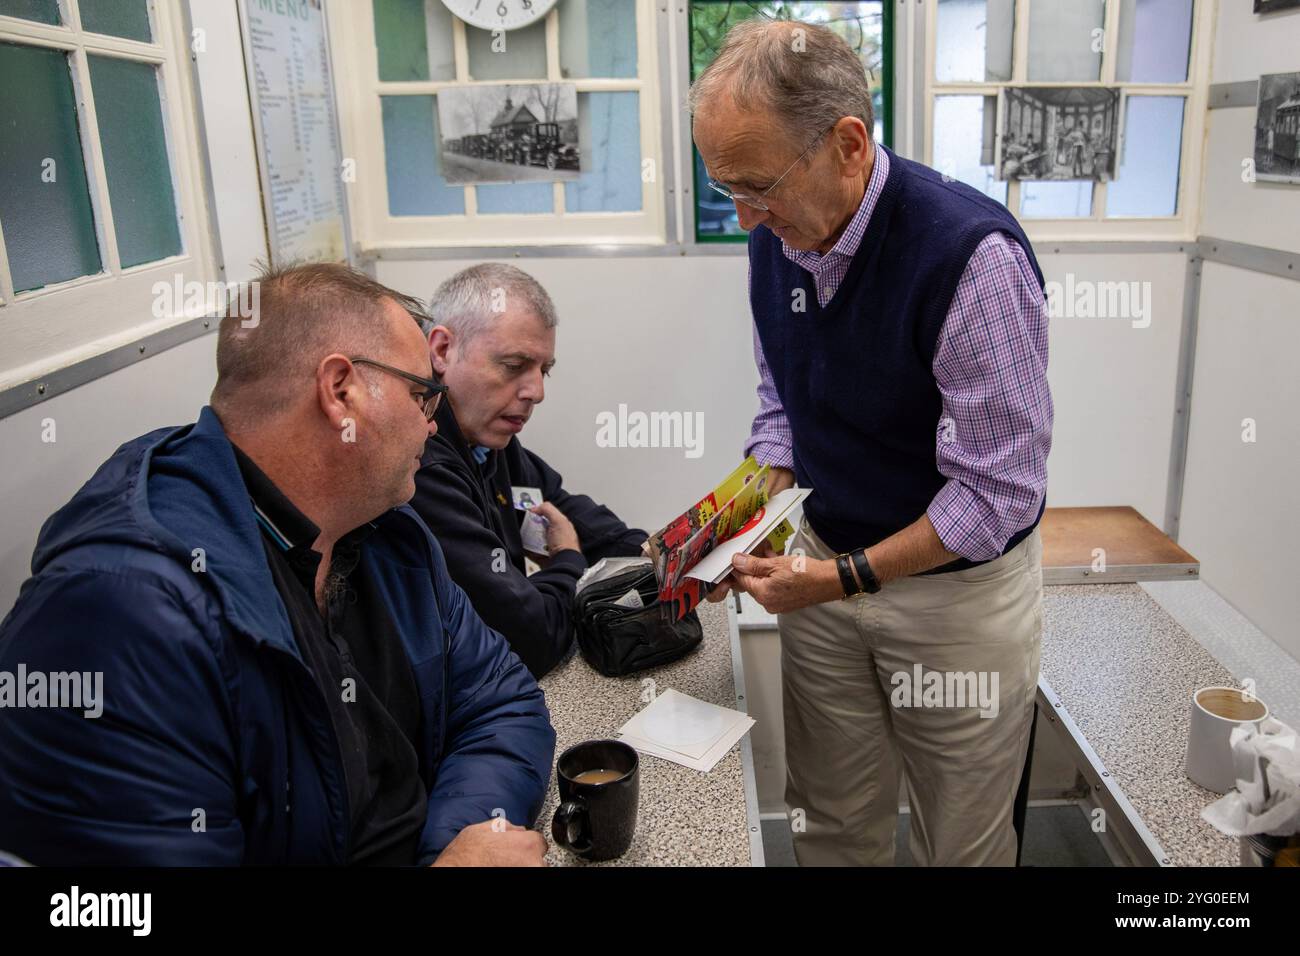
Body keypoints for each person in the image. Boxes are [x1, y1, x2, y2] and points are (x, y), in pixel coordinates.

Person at [0, 263, 553, 866]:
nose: (431, 420)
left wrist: (454, 843)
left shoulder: (389, 532)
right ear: (341, 391)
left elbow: (501, 701)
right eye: (423, 394)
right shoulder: (122, 614)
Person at [690, 20, 1053, 865]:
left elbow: (996, 494)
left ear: (848, 145)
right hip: (824, 570)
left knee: (958, 839)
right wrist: (737, 520)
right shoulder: (778, 235)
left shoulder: (970, 258)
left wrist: (839, 580)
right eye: (725, 191)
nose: (744, 215)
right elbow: (784, 397)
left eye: (756, 186)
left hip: (953, 604)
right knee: (830, 816)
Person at [410, 264, 648, 679]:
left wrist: (657, 553)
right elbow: (531, 641)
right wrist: (569, 559)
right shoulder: (421, 467)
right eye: (513, 365)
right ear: (443, 350)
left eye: (544, 370)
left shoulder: (486, 439)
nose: (536, 392)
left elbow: (560, 506)